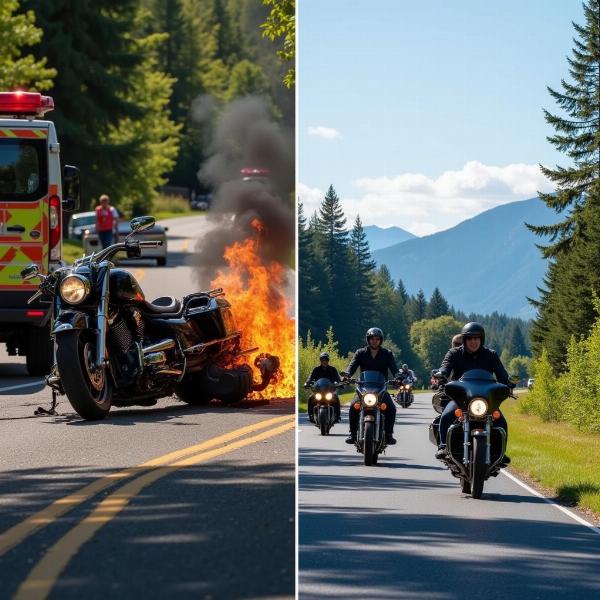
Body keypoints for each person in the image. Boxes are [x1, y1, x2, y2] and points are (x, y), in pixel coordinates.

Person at [434, 322, 511, 463]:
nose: (473, 342)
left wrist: (508, 384)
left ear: (482, 339)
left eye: (477, 338)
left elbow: (502, 375)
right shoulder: (454, 353)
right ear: (464, 340)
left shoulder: (490, 355)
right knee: (446, 416)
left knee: (501, 422)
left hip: (485, 400)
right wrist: (442, 374)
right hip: (460, 399)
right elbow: (445, 367)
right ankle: (443, 446)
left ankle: (500, 453)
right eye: (470, 338)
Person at [343, 327, 399, 445]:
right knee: (354, 406)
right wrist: (347, 374)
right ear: (368, 340)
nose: (374, 341)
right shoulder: (360, 353)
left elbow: (394, 368)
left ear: (380, 340)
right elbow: (352, 366)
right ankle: (353, 434)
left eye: (377, 339)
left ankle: (389, 434)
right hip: (364, 388)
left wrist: (398, 377)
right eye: (372, 339)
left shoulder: (387, 354)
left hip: (380, 388)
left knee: (391, 408)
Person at [304, 352, 342, 423]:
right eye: (322, 359)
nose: (324, 361)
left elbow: (337, 379)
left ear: (328, 360)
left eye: (326, 360)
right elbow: (311, 378)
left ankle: (337, 416)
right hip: (319, 391)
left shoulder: (333, 369)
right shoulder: (316, 369)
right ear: (320, 360)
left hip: (329, 391)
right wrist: (307, 383)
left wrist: (339, 383)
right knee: (310, 398)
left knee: (336, 398)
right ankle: (310, 416)